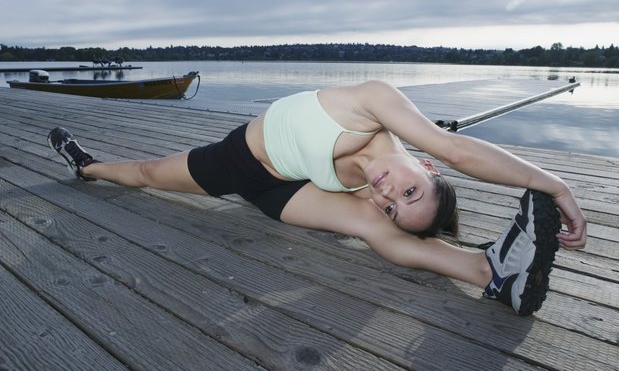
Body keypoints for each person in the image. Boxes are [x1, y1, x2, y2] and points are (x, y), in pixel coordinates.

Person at [47, 80, 587, 316]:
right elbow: (458, 152)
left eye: (395, 204)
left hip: (283, 192)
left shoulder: (374, 200)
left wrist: (388, 214)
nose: (386, 195)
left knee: (372, 231)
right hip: (238, 161)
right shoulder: (377, 104)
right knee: (145, 173)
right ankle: (88, 165)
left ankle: (492, 274)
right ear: (423, 163)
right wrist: (554, 185)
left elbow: (386, 215)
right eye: (407, 189)